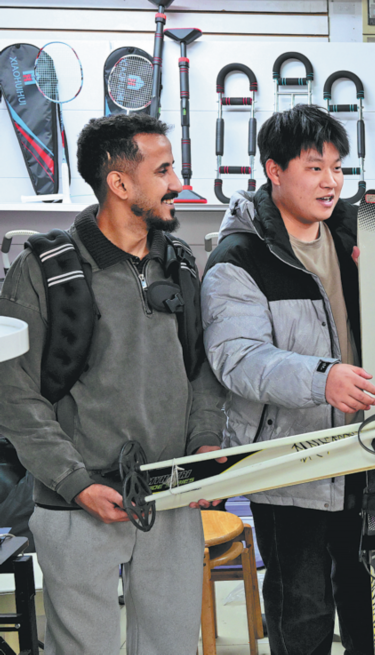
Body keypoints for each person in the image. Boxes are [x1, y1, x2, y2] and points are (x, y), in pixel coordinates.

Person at [0, 113, 226, 654]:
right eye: (163, 171)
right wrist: (75, 482)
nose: (178, 183)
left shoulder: (179, 263)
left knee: (171, 646)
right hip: (77, 502)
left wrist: (204, 443)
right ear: (119, 183)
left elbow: (200, 369)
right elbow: (14, 394)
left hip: (171, 496)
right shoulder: (42, 270)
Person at [201, 104, 375, 655]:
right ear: (275, 170)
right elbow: (237, 358)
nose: (331, 181)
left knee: (370, 599)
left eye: (337, 167)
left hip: (364, 448)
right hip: (291, 462)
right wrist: (323, 379)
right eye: (315, 168)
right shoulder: (239, 257)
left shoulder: (352, 238)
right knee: (302, 607)